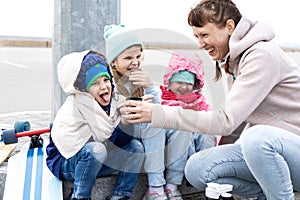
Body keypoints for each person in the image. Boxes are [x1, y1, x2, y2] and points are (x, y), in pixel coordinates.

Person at [121, 0, 300, 199]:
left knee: (256, 138)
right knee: (198, 167)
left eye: (204, 35)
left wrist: (158, 113)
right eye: (197, 36)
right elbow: (236, 125)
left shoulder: (261, 55)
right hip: (275, 155)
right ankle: (269, 192)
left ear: (229, 27)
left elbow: (226, 121)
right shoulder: (233, 62)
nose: (200, 43)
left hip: (291, 149)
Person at [104, 24, 192, 200]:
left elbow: (158, 105)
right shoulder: (108, 83)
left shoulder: (139, 77)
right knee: (154, 122)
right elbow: (115, 118)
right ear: (113, 61)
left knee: (182, 123)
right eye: (128, 57)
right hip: (124, 136)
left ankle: (172, 185)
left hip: (147, 134)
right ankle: (155, 188)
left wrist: (150, 87)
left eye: (138, 56)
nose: (135, 62)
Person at [46, 50, 144, 200]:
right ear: (84, 89)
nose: (104, 87)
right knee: (96, 149)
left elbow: (116, 143)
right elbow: (101, 144)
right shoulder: (79, 105)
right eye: (95, 83)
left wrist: (126, 121)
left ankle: (120, 195)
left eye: (106, 80)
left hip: (97, 161)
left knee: (135, 147)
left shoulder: (113, 101)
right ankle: (80, 196)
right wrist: (122, 124)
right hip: (68, 164)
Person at [160, 51, 216, 158]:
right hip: (173, 148)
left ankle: (202, 164)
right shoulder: (163, 101)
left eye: (189, 84)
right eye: (179, 82)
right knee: (182, 130)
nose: (184, 87)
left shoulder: (200, 103)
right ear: (169, 82)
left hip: (197, 147)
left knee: (208, 131)